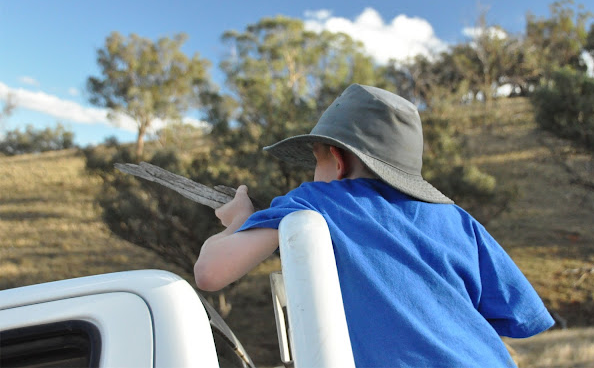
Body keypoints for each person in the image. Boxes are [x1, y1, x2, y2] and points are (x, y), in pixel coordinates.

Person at [194, 84, 554, 367]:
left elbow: (210, 272)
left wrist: (239, 222)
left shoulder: (319, 200)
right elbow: (516, 314)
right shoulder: (459, 220)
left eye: (315, 162)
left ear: (337, 162)